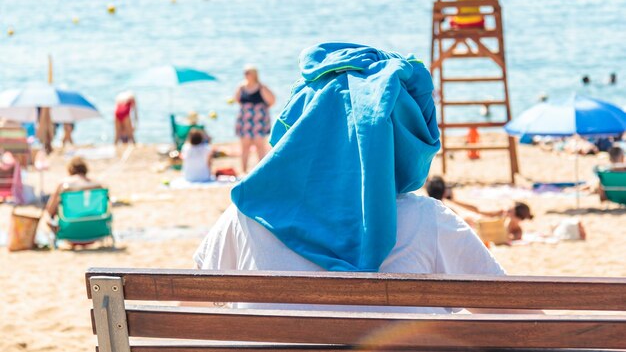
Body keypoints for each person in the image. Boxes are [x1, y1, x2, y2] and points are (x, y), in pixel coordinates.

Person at [195, 43, 523, 315]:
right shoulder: (430, 222)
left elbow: (188, 312)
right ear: (401, 142)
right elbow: (522, 322)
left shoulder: (248, 215)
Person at [425, 175, 533, 241]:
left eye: (511, 211)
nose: (507, 211)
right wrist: (454, 201)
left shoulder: (517, 230)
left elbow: (512, 237)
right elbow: (478, 211)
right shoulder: (501, 213)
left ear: (518, 218)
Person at [234, 64, 275, 174]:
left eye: (248, 73)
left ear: (254, 74)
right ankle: (243, 172)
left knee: (260, 146)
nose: (245, 75)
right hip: (245, 120)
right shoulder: (241, 87)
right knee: (244, 147)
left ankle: (262, 171)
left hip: (259, 121)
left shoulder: (261, 87)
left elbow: (271, 101)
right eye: (245, 73)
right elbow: (237, 100)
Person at [45, 157, 102, 229]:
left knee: (48, 219)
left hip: (69, 229)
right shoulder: (97, 185)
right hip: (96, 228)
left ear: (70, 169)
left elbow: (50, 210)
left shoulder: (63, 184)